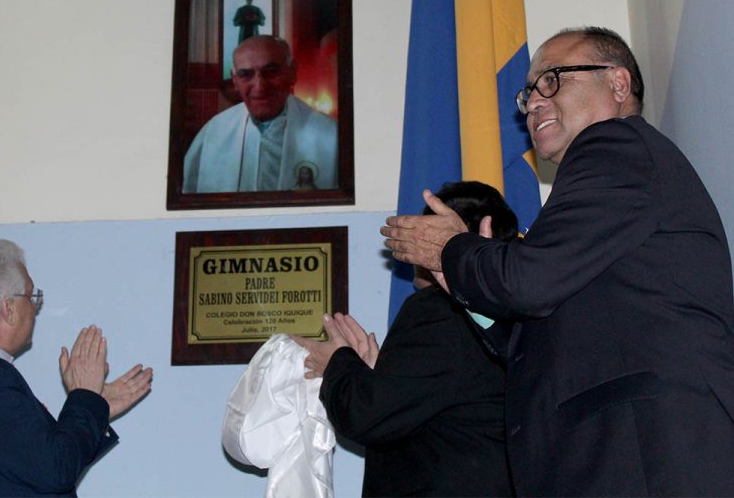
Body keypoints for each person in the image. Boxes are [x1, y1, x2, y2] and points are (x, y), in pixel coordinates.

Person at [381, 27, 734, 496]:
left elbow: (527, 283)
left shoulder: (615, 148)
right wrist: (462, 286)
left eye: (551, 80)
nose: (533, 103)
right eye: (528, 94)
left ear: (618, 84)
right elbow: (536, 328)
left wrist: (452, 248)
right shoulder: (600, 188)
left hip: (645, 457)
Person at [294, 181, 515, 497]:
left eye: (425, 230)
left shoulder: (439, 310)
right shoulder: (513, 309)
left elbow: (366, 416)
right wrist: (369, 375)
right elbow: (424, 410)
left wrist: (336, 364)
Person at [0, 239, 153, 496]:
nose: (35, 306)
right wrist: (85, 398)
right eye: (31, 295)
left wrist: (95, 408)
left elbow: (38, 466)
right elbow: (55, 470)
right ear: (9, 309)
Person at [183, 35, 337, 193]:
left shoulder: (331, 136)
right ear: (235, 80)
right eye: (245, 74)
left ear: (292, 72)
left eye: (271, 72)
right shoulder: (213, 132)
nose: (260, 86)